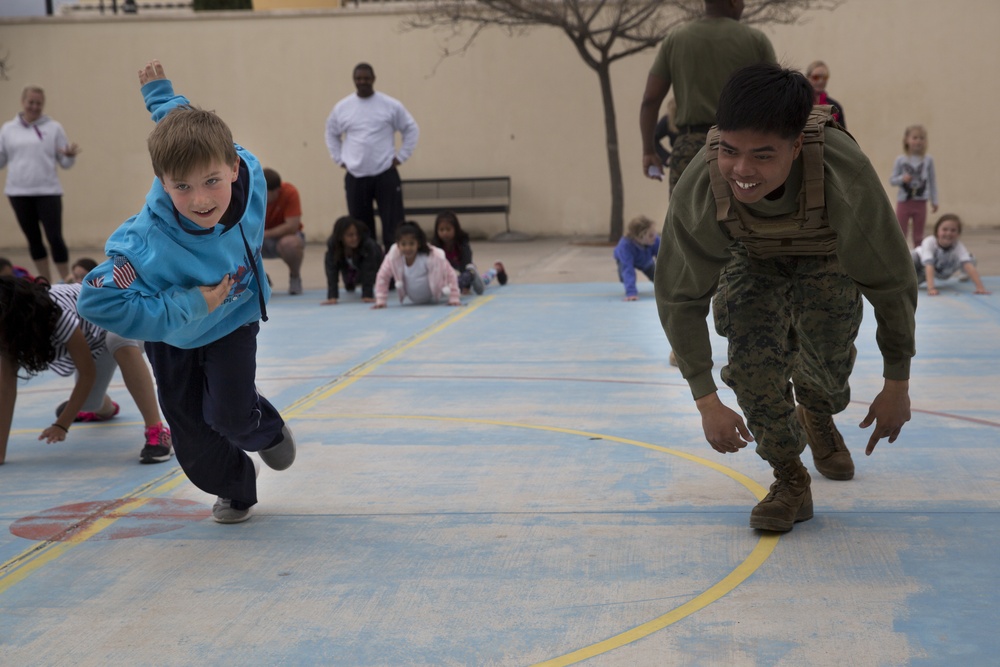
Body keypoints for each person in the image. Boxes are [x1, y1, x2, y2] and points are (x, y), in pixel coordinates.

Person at [655, 63, 917, 533]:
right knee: (753, 367)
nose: (742, 170)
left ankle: (816, 413)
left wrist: (897, 382)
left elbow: (892, 282)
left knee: (829, 372)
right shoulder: (704, 181)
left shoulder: (843, 171)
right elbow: (678, 295)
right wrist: (705, 399)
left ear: (796, 147)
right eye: (730, 151)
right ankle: (789, 478)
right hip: (750, 256)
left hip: (829, 257)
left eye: (762, 156)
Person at [78, 60, 295, 524]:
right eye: (182, 187)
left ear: (234, 167)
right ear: (162, 183)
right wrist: (190, 305)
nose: (200, 200)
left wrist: (161, 98)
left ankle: (265, 429)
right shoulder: (143, 244)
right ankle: (235, 487)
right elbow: (95, 298)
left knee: (233, 417)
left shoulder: (250, 174)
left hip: (234, 320)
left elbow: (193, 131)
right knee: (193, 438)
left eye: (212, 181)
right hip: (173, 337)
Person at [0, 277, 172, 466]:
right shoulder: (10, 333)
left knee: (117, 339)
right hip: (96, 340)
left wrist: (62, 424)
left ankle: (157, 430)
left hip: (126, 319)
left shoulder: (57, 315)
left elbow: (87, 373)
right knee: (89, 402)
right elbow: (6, 387)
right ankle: (105, 409)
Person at [639, 0, 776, 190]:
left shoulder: (676, 39)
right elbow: (777, 97)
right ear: (733, 2)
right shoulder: (755, 40)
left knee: (686, 217)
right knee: (738, 217)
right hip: (741, 148)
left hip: (690, 149)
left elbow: (650, 99)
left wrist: (648, 150)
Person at [325, 62, 419, 252]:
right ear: (354, 80)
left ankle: (394, 270)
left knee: (393, 225)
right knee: (360, 228)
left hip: (385, 173)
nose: (362, 82)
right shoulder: (342, 107)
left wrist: (401, 157)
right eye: (358, 78)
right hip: (356, 176)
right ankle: (368, 271)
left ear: (374, 79)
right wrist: (339, 158)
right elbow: (331, 133)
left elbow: (411, 129)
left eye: (366, 78)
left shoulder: (390, 105)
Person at [0, 86, 81, 283]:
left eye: (38, 103)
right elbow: (2, 160)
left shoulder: (54, 128)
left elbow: (65, 163)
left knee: (55, 238)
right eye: (31, 102)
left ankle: (65, 281)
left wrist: (69, 157)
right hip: (18, 192)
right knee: (34, 240)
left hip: (48, 191)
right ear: (23, 102)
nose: (34, 107)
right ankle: (45, 281)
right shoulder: (8, 129)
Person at [373, 221, 461, 308]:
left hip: (438, 290)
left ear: (418, 244)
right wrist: (380, 300)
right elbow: (382, 276)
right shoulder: (393, 257)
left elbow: (450, 274)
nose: (407, 248)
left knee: (460, 281)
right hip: (413, 298)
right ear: (398, 245)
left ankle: (469, 275)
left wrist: (454, 297)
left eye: (411, 244)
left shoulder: (432, 256)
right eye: (403, 244)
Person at [431, 210, 508, 295]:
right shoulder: (436, 246)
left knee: (480, 285)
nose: (445, 233)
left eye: (448, 229)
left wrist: (466, 286)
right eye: (441, 230)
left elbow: (467, 263)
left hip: (467, 268)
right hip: (450, 266)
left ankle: (496, 269)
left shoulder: (462, 244)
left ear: (455, 229)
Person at [913, 213, 991, 296]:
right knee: (911, 258)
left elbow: (968, 264)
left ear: (958, 234)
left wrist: (980, 287)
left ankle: (964, 274)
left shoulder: (958, 246)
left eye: (953, 230)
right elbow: (929, 265)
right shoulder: (929, 242)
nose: (948, 233)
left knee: (971, 259)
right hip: (922, 267)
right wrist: (931, 288)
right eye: (945, 229)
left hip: (941, 271)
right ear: (937, 231)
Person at [890, 124, 939, 247]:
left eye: (922, 138)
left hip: (921, 202)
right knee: (901, 232)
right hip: (904, 202)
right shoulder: (901, 160)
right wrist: (902, 179)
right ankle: (901, 257)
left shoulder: (928, 160)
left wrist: (935, 200)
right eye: (915, 137)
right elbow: (892, 180)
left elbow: (932, 181)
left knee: (918, 235)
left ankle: (919, 257)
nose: (918, 141)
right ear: (907, 140)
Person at [322, 215, 384, 305]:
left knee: (388, 284)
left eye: (357, 234)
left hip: (377, 263)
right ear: (340, 236)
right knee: (349, 286)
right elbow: (331, 271)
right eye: (350, 235)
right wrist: (332, 296)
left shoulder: (367, 245)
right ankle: (351, 276)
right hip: (350, 263)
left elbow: (369, 270)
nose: (355, 238)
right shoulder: (333, 245)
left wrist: (367, 294)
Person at [262, 167, 306, 295]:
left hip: (283, 238)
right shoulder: (252, 195)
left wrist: (264, 234)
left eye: (266, 192)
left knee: (290, 244)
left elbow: (292, 226)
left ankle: (295, 276)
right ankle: (260, 277)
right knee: (239, 244)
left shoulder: (290, 192)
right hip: (261, 240)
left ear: (277, 191)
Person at [614, 215, 660, 301]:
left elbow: (664, 260)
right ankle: (629, 287)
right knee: (625, 276)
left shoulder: (655, 241)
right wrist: (631, 293)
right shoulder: (625, 246)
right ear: (639, 237)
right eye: (650, 235)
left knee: (657, 276)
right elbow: (628, 268)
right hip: (624, 259)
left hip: (645, 259)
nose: (654, 237)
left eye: (654, 233)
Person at [805, 60, 846, 128]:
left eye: (824, 77)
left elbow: (843, 134)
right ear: (807, 78)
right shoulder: (801, 103)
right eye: (816, 77)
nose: (821, 81)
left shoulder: (835, 106)